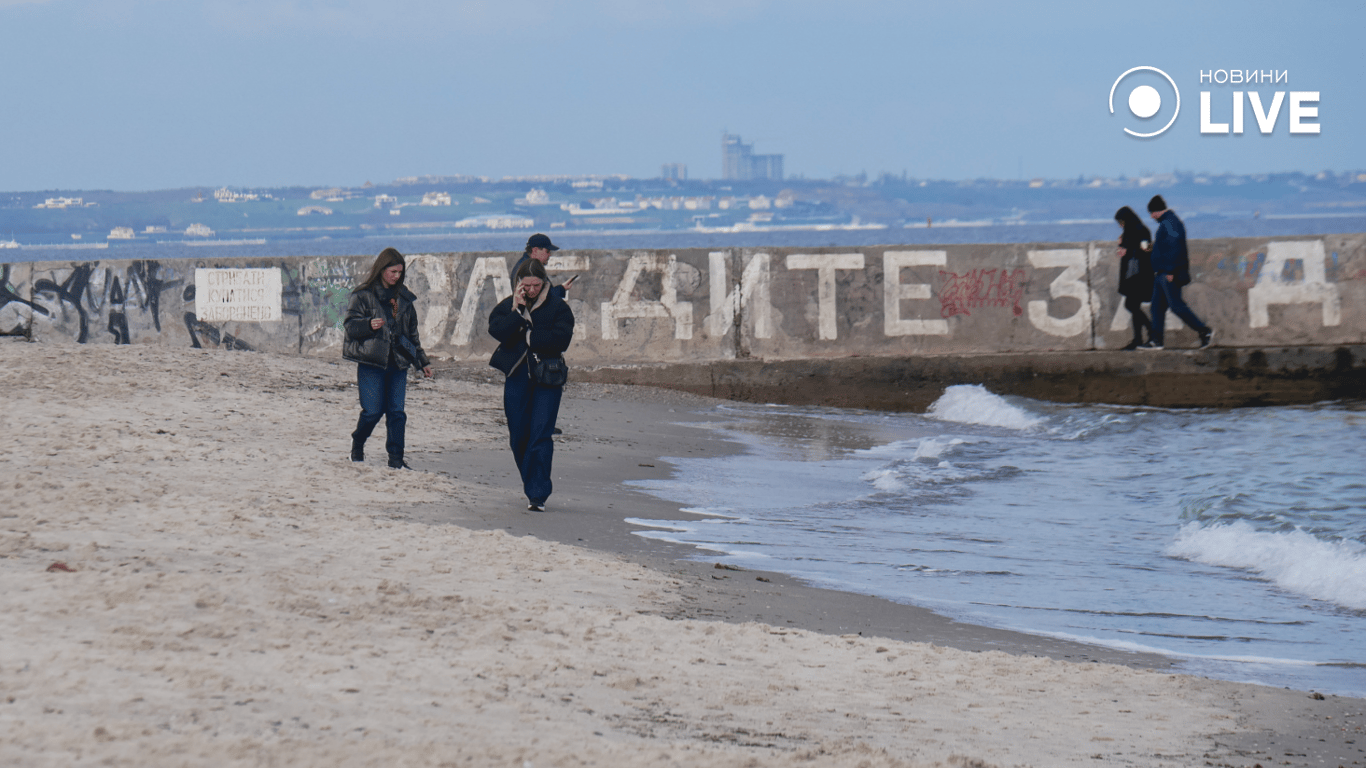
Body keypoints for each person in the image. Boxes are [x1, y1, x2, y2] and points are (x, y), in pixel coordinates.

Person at [488, 259, 575, 511]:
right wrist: (517, 312)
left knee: (540, 434)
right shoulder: (508, 305)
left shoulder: (558, 307)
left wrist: (530, 336)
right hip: (516, 377)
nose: (531, 289)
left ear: (544, 281)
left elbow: (562, 340)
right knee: (518, 436)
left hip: (548, 378)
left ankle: (537, 495)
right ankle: (531, 482)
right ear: (518, 284)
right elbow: (497, 331)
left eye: (536, 284)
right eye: (526, 285)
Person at [343, 248, 433, 469]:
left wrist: (422, 361)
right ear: (382, 270)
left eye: (400, 272)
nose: (396, 276)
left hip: (398, 362)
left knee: (397, 413)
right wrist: (368, 325)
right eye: (393, 271)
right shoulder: (362, 295)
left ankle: (396, 459)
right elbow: (350, 327)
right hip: (371, 362)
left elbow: (412, 335)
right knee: (372, 411)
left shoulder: (404, 299)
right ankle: (358, 443)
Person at [1140, 195, 1214, 350]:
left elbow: (1175, 248)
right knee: (1156, 308)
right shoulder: (1167, 223)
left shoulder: (1171, 223)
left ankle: (1204, 331)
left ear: (1156, 211)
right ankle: (1156, 341)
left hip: (1168, 273)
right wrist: (1152, 249)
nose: (1151, 217)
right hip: (1162, 273)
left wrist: (1170, 270)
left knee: (1176, 306)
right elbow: (1167, 246)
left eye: (1152, 213)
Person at [1114, 206, 1154, 350]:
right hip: (1132, 276)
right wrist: (1122, 245)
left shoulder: (1141, 230)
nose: (1120, 225)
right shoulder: (1129, 232)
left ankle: (1150, 330)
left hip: (1140, 275)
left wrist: (1127, 246)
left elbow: (1146, 249)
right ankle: (1138, 339)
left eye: (1121, 222)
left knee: (1130, 305)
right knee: (1133, 306)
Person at [511, 233, 574, 301]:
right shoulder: (529, 269)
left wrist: (562, 288)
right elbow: (542, 298)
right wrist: (562, 288)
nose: (549, 255)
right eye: (547, 251)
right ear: (535, 250)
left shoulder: (527, 265)